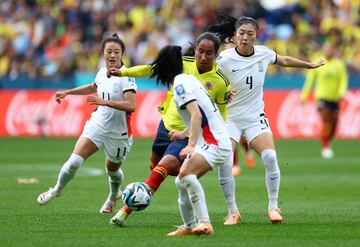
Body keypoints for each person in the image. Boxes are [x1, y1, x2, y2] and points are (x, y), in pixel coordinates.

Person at [107, 32, 240, 227]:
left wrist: (192, 138)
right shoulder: (182, 65)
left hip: (187, 135)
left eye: (209, 53)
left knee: (163, 168)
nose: (203, 57)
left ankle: (126, 209)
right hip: (165, 127)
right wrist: (124, 72)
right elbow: (151, 69)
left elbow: (217, 114)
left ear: (216, 54)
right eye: (200, 51)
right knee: (157, 167)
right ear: (195, 50)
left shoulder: (220, 82)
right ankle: (176, 177)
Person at [208, 15, 325, 223]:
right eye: (241, 33)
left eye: (249, 34)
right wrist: (221, 95)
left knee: (270, 157)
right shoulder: (224, 59)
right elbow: (209, 80)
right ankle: (232, 211)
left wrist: (309, 65)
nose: (245, 38)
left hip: (255, 117)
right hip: (230, 119)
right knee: (225, 162)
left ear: (257, 36)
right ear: (234, 35)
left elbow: (285, 60)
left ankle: (273, 207)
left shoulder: (264, 53)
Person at [36, 33, 137, 214]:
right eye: (109, 52)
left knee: (112, 171)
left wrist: (105, 102)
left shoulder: (127, 77)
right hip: (98, 124)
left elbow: (131, 105)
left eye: (116, 52)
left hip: (119, 133)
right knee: (74, 161)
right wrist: (68, 92)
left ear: (122, 54)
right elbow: (93, 87)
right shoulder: (101, 72)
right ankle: (57, 189)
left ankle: (113, 195)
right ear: (103, 53)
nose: (112, 55)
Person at [152, 45, 233, 236]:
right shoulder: (188, 79)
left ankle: (204, 223)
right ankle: (188, 226)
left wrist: (189, 145)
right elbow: (203, 114)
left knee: (186, 174)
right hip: (214, 138)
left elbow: (196, 115)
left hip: (214, 143)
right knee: (180, 181)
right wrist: (183, 133)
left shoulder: (180, 85)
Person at [300, 42, 348, 159]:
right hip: (322, 97)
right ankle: (325, 147)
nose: (329, 51)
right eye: (326, 49)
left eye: (330, 48)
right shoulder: (318, 62)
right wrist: (304, 96)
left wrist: (341, 93)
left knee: (334, 123)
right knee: (326, 120)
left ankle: (327, 141)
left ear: (333, 50)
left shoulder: (339, 64)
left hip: (334, 98)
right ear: (323, 50)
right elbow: (310, 80)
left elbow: (343, 80)